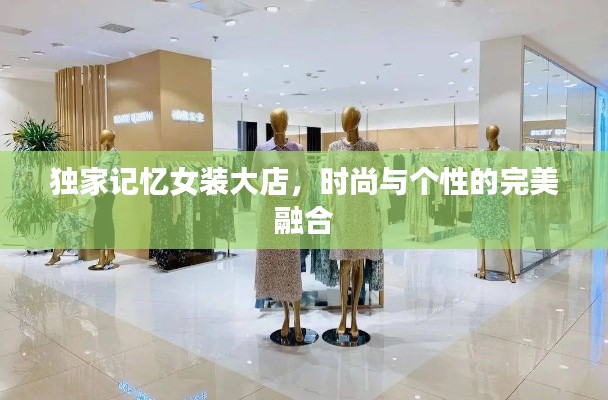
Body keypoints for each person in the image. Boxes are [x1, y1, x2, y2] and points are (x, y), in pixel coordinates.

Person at [45, 166, 95, 266]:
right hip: (79, 219)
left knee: (64, 217)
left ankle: (57, 254)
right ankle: (57, 253)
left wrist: (69, 210)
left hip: (88, 220)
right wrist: (70, 211)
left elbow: (85, 204)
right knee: (63, 223)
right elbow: (75, 204)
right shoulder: (79, 188)